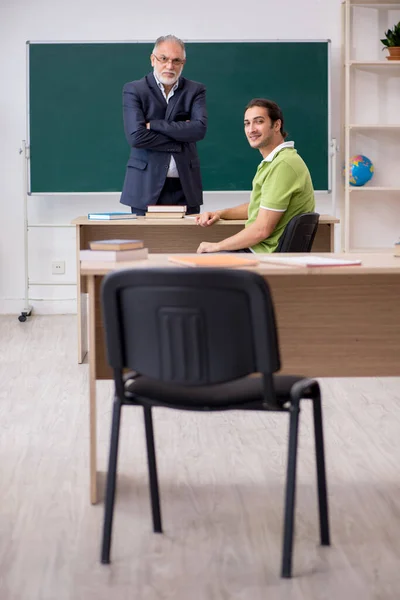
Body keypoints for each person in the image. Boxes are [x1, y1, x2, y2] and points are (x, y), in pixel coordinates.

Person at [196, 98, 315, 253]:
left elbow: (262, 230)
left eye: (259, 122)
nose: (251, 129)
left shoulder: (283, 165)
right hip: (259, 250)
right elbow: (259, 208)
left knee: (200, 262)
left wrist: (216, 246)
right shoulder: (276, 161)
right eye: (247, 123)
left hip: (263, 254)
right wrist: (220, 213)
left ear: (276, 125)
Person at [120, 35, 207, 215]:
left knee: (186, 243)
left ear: (183, 62)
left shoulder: (195, 90)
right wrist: (181, 136)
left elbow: (199, 130)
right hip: (144, 187)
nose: (170, 66)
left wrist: (155, 125)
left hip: (186, 187)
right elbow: (136, 137)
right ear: (153, 60)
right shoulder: (134, 89)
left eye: (176, 61)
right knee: (147, 242)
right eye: (164, 59)